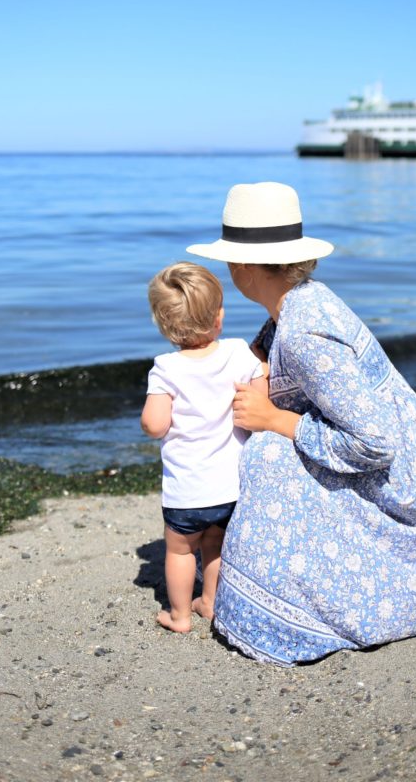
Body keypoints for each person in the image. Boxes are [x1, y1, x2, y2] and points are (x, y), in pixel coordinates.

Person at [186, 181, 416, 665]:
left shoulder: (306, 331)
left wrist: (275, 420)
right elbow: (259, 356)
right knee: (269, 442)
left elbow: (376, 444)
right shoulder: (298, 302)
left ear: (243, 266)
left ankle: (307, 608)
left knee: (269, 454)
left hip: (413, 487)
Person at [141, 261, 267, 633]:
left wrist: (150, 420)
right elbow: (262, 399)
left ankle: (180, 615)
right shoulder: (238, 354)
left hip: (186, 489)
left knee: (181, 550)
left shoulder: (165, 368)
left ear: (163, 325)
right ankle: (210, 602)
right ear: (218, 317)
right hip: (230, 485)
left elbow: (155, 424)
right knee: (215, 545)